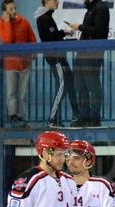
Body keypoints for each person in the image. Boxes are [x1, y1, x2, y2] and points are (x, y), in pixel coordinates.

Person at [34, 0, 81, 128]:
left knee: (69, 81)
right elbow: (51, 39)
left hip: (58, 56)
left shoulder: (47, 17)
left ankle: (76, 114)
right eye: (55, 0)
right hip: (55, 58)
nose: (58, 2)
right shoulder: (44, 18)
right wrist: (66, 37)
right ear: (47, 1)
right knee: (63, 84)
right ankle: (52, 119)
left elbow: (54, 36)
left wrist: (64, 34)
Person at [0, 0, 37, 128]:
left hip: (24, 62)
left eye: (14, 8)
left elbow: (32, 39)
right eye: (10, 9)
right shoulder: (0, 23)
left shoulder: (24, 22)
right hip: (10, 63)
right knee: (11, 92)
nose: (14, 11)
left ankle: (21, 116)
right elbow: (7, 40)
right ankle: (13, 116)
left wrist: (33, 54)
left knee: (22, 92)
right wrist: (7, 22)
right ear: (5, 11)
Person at [70, 0, 110, 127]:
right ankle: (84, 116)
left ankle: (94, 117)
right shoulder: (90, 9)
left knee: (93, 86)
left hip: (93, 53)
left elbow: (99, 31)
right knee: (80, 86)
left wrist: (80, 27)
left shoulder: (101, 8)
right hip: (83, 52)